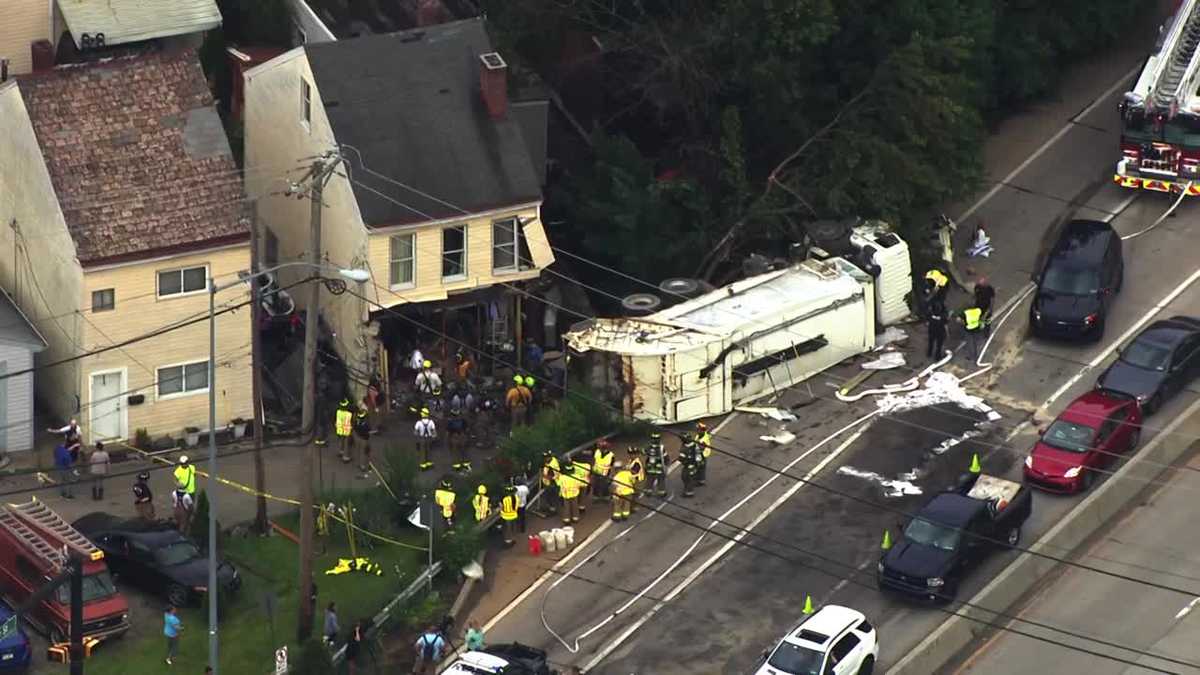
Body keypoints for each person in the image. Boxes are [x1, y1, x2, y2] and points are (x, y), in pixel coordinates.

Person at [645, 433, 668, 497]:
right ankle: (661, 492)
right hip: (659, 469)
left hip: (650, 468)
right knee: (660, 480)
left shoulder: (649, 447)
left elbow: (644, 452)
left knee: (650, 480)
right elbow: (665, 457)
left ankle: (648, 491)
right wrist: (666, 464)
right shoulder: (661, 448)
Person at [557, 460, 581, 524]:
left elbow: (558, 484)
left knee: (566, 507)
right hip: (574, 493)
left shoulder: (562, 477)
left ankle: (566, 519)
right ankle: (575, 518)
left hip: (566, 494)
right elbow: (579, 484)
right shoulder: (577, 476)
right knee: (575, 506)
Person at [353, 407, 372, 478]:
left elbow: (354, 428)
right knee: (364, 451)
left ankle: (359, 463)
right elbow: (369, 430)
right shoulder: (366, 423)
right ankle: (363, 465)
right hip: (364, 438)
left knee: (358, 450)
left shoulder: (357, 420)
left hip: (358, 436)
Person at [335, 398, 354, 463]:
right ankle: (346, 457)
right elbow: (351, 422)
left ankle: (341, 451)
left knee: (341, 440)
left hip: (340, 429)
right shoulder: (349, 414)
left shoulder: (338, 412)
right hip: (347, 430)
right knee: (347, 443)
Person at [626, 447, 645, 512]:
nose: (631, 455)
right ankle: (631, 506)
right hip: (631, 481)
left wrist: (627, 469)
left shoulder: (637, 462)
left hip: (637, 481)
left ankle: (634, 507)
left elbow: (634, 471)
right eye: (630, 454)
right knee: (631, 494)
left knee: (635, 494)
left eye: (633, 454)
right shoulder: (630, 461)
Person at [694, 421, 712, 485]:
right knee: (698, 466)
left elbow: (699, 449)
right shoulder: (702, 434)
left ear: (702, 430)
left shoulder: (703, 441)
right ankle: (698, 477)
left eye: (698, 430)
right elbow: (708, 434)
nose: (697, 431)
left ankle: (701, 481)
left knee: (700, 467)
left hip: (702, 454)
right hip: (700, 453)